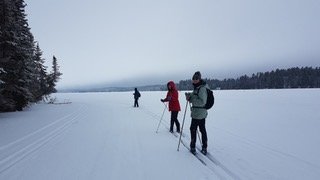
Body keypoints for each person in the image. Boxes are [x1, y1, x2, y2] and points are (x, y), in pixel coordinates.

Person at [185, 71, 209, 155]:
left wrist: (192, 99)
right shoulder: (196, 88)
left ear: (199, 79)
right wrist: (189, 97)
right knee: (197, 130)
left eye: (196, 78)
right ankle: (197, 147)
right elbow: (193, 97)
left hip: (200, 113)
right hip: (196, 113)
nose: (194, 80)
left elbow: (203, 101)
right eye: (193, 78)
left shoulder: (202, 88)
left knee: (197, 130)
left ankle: (200, 147)